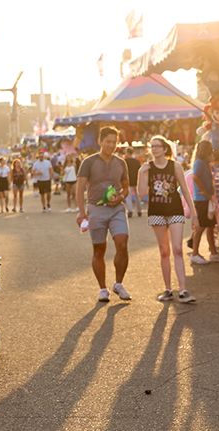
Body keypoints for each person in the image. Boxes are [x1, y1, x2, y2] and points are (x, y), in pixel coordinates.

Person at [138, 135, 198, 302]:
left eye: (158, 146)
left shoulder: (175, 166)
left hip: (175, 211)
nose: (154, 149)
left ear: (165, 149)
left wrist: (194, 215)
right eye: (152, 146)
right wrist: (141, 174)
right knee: (164, 251)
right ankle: (168, 289)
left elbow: (185, 191)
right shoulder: (147, 168)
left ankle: (183, 290)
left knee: (177, 249)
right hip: (156, 212)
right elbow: (142, 193)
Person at [76, 126, 131, 302]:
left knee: (122, 244)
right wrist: (81, 212)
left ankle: (119, 284)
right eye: (108, 141)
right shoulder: (89, 162)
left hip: (116, 209)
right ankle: (103, 288)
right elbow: (79, 189)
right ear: (100, 142)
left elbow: (127, 187)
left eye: (114, 142)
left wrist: (121, 196)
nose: (111, 145)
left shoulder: (121, 162)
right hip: (95, 208)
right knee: (99, 249)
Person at [188, 140, 219, 264]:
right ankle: (195, 254)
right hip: (202, 199)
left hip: (206, 199)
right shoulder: (200, 162)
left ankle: (214, 253)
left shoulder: (204, 162)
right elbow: (195, 176)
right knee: (201, 226)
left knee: (210, 225)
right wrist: (204, 191)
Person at [124, 147, 143, 218]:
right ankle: (139, 210)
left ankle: (130, 211)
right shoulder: (137, 161)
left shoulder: (125, 161)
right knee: (137, 196)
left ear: (127, 153)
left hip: (128, 180)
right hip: (136, 180)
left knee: (128, 197)